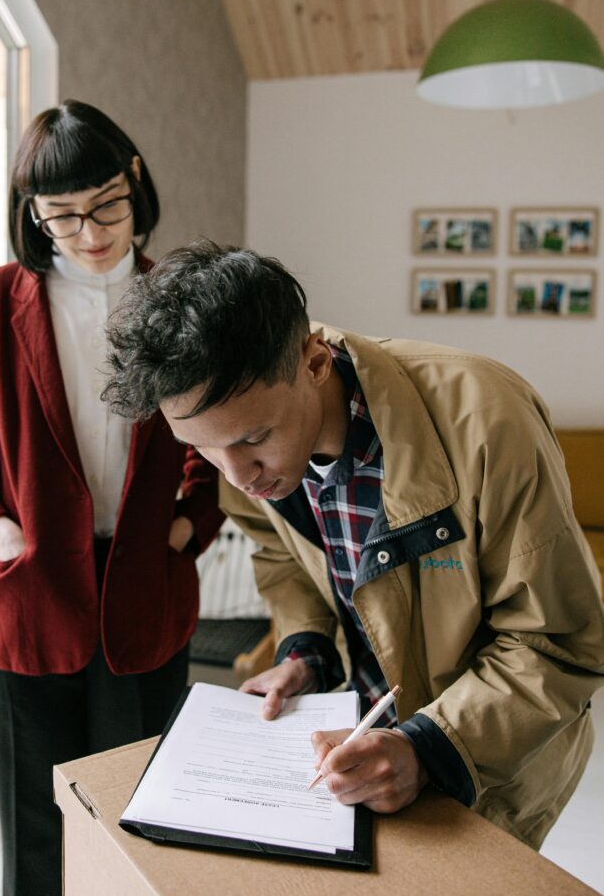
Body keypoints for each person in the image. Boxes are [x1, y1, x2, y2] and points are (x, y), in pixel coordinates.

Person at [103, 239, 604, 849]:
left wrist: (426, 749)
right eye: (202, 448)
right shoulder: (237, 441)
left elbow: (560, 643)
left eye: (255, 438)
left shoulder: (488, 421)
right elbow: (282, 555)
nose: (237, 477)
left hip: (488, 763)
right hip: (357, 752)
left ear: (314, 362)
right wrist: (304, 652)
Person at [0, 104, 222, 896]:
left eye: (105, 205)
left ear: (133, 180)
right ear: (32, 213)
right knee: (33, 828)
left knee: (137, 821)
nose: (88, 231)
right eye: (61, 215)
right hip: (26, 600)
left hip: (146, 593)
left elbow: (214, 437)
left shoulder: (180, 298)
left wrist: (190, 522)